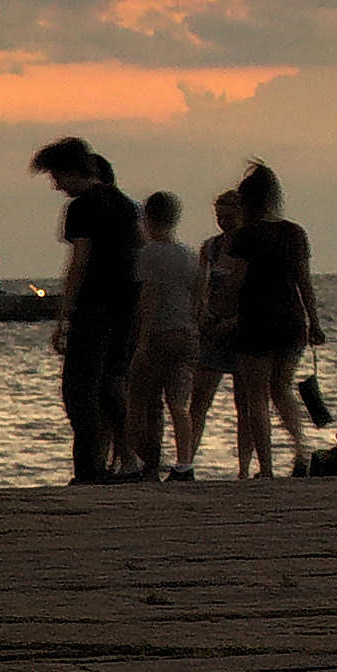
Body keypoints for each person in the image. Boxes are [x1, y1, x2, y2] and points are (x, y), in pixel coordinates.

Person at [30, 136, 142, 485]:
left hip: (95, 306)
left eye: (56, 176)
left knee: (79, 390)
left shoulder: (82, 208)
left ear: (70, 171)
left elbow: (79, 260)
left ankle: (89, 466)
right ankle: (127, 459)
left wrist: (64, 314)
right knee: (111, 383)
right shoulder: (124, 204)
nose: (56, 184)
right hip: (126, 305)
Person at [225, 161, 325, 479]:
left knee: (256, 397)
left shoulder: (245, 236)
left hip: (257, 320)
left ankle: (266, 466)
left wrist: (216, 309)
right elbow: (304, 282)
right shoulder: (294, 233)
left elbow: (237, 282)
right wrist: (315, 322)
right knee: (281, 390)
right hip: (291, 319)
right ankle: (301, 451)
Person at [126, 191, 201, 481]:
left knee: (140, 400)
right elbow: (198, 296)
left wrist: (141, 340)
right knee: (179, 404)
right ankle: (185, 463)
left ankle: (144, 460)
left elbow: (149, 296)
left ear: (148, 218)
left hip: (160, 331)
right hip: (187, 333)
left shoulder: (149, 254)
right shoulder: (189, 255)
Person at [187, 187, 244, 468]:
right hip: (211, 331)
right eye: (220, 216)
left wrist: (232, 322)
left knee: (244, 405)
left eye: (231, 216)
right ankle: (186, 460)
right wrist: (202, 313)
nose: (225, 222)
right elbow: (200, 287)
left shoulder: (249, 249)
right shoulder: (211, 247)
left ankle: (245, 467)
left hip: (242, 330)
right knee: (198, 402)